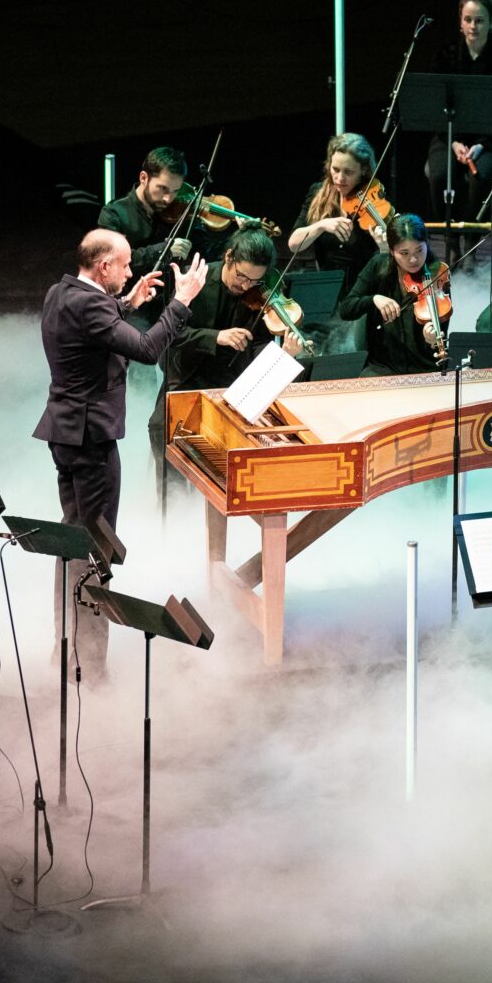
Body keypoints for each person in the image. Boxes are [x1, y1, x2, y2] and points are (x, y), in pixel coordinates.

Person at [34, 230, 205, 678]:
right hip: (90, 439)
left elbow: (94, 326)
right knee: (95, 550)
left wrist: (129, 303)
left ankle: (66, 650)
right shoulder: (90, 304)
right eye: (126, 265)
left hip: (66, 433)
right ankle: (90, 666)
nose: (132, 271)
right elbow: (147, 349)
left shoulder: (61, 292)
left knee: (72, 544)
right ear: (104, 266)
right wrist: (181, 302)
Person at [150, 228, 305, 446]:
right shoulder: (195, 281)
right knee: (161, 432)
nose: (245, 286)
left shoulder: (260, 294)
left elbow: (259, 345)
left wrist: (284, 354)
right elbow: (169, 334)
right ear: (228, 257)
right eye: (241, 275)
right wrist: (216, 337)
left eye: (254, 280)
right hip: (187, 378)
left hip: (233, 386)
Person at [421, 0, 492, 226]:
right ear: (460, 22)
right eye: (468, 20)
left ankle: (470, 237)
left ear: (491, 23)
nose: (473, 26)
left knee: (481, 177)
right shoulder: (445, 56)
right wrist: (454, 142)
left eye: (479, 20)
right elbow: (436, 108)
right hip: (449, 136)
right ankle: (451, 238)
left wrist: (480, 145)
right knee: (439, 176)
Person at [338, 213, 450, 375]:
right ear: (391, 251)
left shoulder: (438, 274)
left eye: (419, 250)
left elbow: (442, 329)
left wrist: (431, 340)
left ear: (427, 244)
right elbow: (346, 310)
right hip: (383, 366)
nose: (413, 259)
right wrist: (373, 299)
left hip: (425, 367)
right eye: (404, 253)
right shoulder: (377, 266)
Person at [288, 132, 387, 280]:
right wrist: (321, 225)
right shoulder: (318, 192)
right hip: (327, 287)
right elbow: (294, 244)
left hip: (363, 290)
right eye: (335, 169)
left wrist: (384, 246)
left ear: (364, 170)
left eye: (348, 172)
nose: (340, 178)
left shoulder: (374, 198)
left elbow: (384, 265)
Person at [97, 146, 195, 284]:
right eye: (163, 189)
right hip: (130, 300)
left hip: (169, 298)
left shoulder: (178, 212)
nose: (168, 199)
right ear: (144, 178)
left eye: (175, 191)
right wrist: (165, 249)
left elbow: (206, 249)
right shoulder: (113, 214)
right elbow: (116, 263)